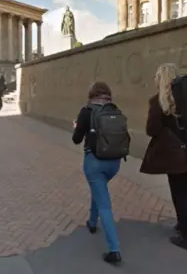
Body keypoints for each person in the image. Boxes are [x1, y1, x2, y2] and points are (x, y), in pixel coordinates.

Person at [72, 82, 125, 265]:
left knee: (105, 204)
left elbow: (76, 139)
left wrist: (77, 126)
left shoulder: (86, 111)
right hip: (114, 163)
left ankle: (114, 250)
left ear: (91, 94)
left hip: (94, 162)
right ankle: (92, 223)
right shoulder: (115, 109)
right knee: (98, 188)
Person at [144, 63, 187, 251]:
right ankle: (183, 225)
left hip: (173, 156)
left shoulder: (157, 102)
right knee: (184, 193)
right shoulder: (185, 99)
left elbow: (151, 129)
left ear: (162, 79)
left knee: (179, 194)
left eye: (157, 77)